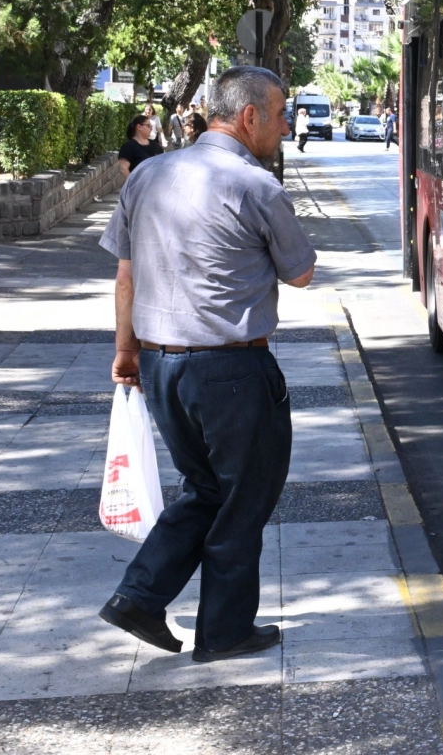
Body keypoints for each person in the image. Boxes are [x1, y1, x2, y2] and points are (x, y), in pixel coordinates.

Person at [97, 65, 315, 663]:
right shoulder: (256, 186)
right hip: (232, 373)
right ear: (250, 117)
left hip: (164, 367)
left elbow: (125, 273)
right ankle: (223, 631)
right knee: (245, 498)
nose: (286, 123)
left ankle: (140, 596)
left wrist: (126, 350)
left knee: (206, 489)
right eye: (280, 112)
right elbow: (300, 272)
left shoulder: (148, 175)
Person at [118, 115, 164, 181]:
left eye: (151, 126)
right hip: (139, 188)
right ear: (139, 127)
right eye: (149, 126)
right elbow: (123, 169)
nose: (151, 128)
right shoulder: (128, 146)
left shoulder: (155, 145)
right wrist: (133, 184)